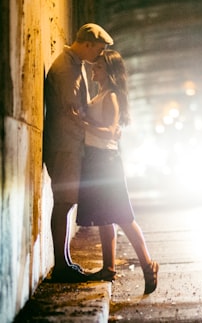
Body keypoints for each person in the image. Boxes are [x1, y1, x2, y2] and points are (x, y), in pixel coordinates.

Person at [76, 49, 159, 294]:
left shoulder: (110, 96)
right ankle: (108, 268)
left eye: (99, 67)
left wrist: (81, 122)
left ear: (109, 72)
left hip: (106, 161)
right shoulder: (100, 93)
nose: (94, 70)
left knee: (123, 216)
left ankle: (147, 264)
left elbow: (111, 131)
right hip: (95, 159)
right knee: (104, 216)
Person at [43, 23, 114, 282]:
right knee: (63, 203)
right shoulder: (65, 68)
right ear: (87, 44)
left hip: (70, 146)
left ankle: (65, 262)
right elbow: (73, 111)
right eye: (99, 49)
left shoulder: (75, 66)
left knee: (67, 201)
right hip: (65, 146)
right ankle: (61, 265)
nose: (100, 54)